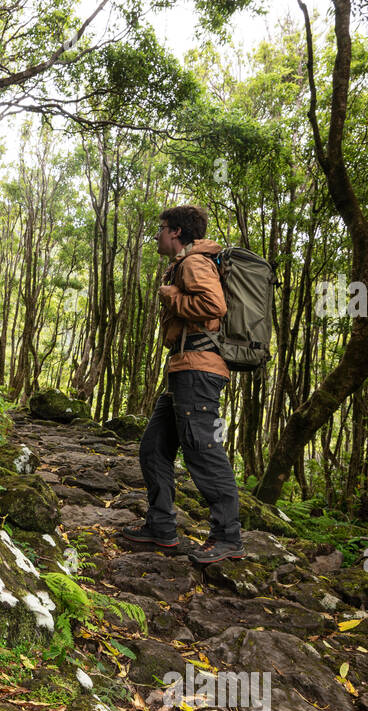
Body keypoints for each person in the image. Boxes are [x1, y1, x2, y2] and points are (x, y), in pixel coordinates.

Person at [122, 205, 244, 564]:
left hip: (199, 370)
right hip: (184, 368)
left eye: (161, 228)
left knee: (203, 450)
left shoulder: (193, 263)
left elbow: (212, 306)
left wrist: (169, 295)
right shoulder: (186, 263)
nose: (157, 235)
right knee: (154, 448)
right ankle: (161, 527)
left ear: (176, 232)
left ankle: (228, 536)